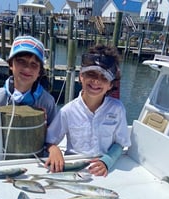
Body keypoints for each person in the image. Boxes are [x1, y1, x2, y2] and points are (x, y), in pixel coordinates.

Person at [45, 44, 131, 177]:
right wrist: (54, 149)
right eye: (91, 74)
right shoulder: (67, 111)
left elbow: (121, 143)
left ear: (110, 85)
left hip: (105, 170)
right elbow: (50, 139)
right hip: (73, 170)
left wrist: (108, 161)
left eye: (104, 77)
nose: (96, 81)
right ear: (81, 77)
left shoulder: (117, 109)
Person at [0, 35, 57, 136]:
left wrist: (42, 125)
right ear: (11, 64)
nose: (27, 68)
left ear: (39, 72)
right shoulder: (0, 96)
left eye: (34, 64)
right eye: (21, 61)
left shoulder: (47, 101)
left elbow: (54, 132)